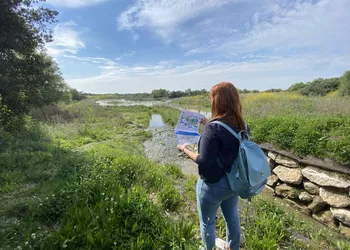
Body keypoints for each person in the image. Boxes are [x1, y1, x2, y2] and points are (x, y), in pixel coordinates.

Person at [177, 82, 246, 250]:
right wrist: (208, 123)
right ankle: (233, 247)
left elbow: (204, 162)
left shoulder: (212, 129)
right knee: (232, 218)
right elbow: (227, 145)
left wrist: (185, 150)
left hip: (213, 185)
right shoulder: (242, 125)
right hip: (234, 182)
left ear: (217, 102)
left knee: (207, 221)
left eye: (212, 98)